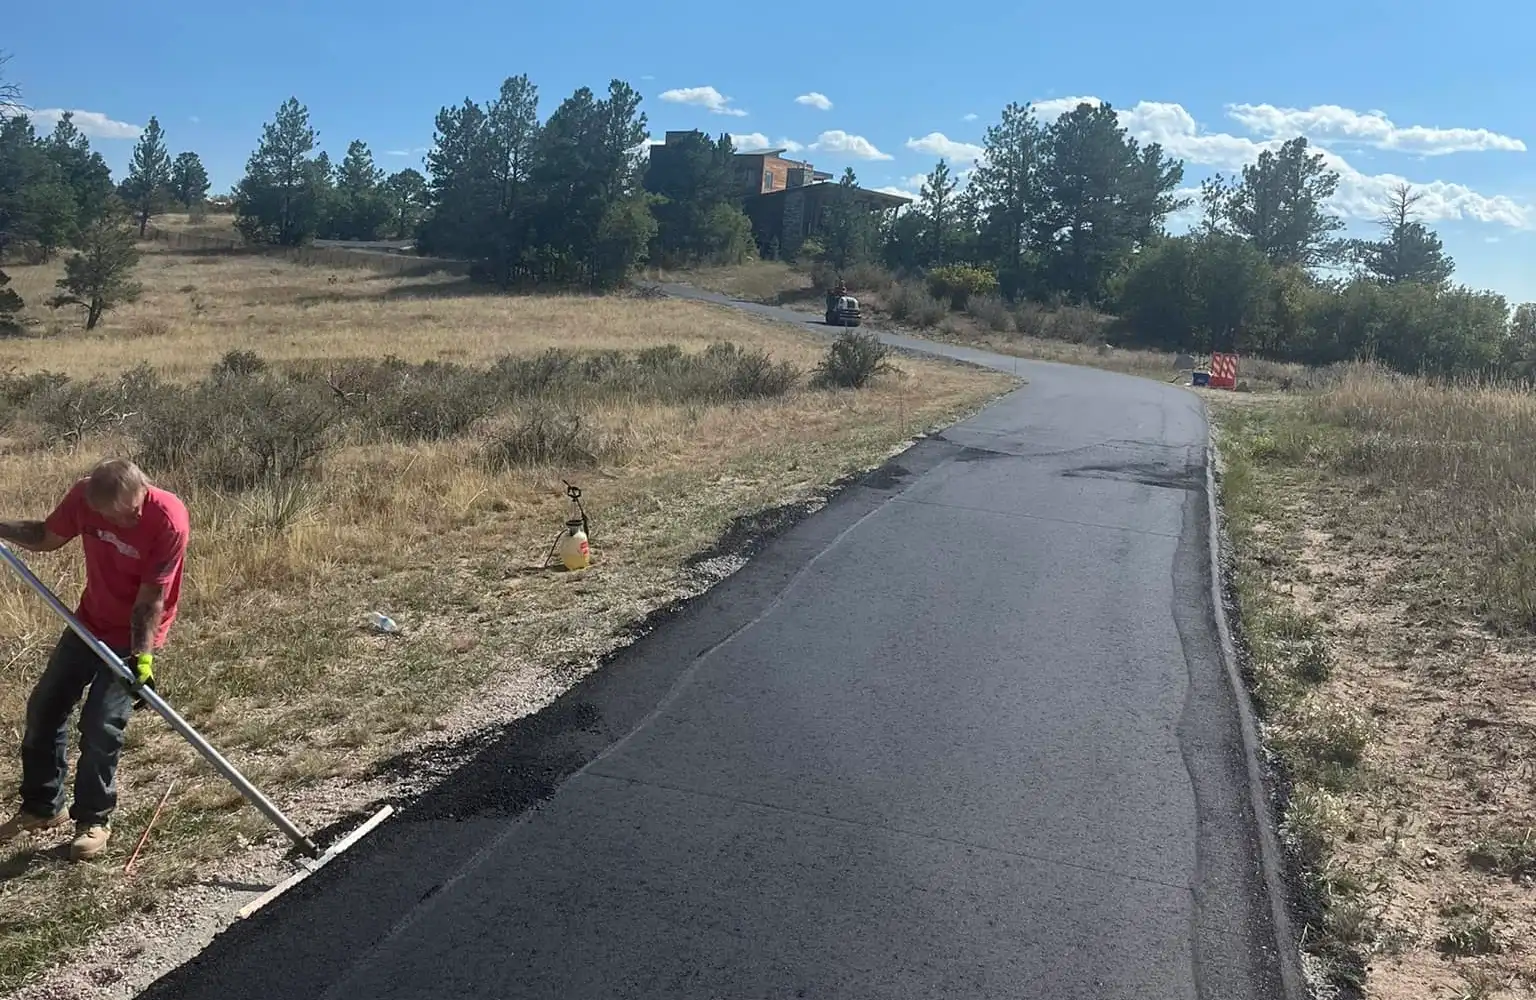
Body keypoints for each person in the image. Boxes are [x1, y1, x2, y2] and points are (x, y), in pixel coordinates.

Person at [0, 459, 189, 861]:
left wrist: (142, 660)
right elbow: (44, 536)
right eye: (118, 515)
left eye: (134, 509)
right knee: (45, 708)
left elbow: (150, 601)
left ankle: (93, 819)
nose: (129, 518)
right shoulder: (83, 499)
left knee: (101, 722)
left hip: (135, 632)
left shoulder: (167, 520)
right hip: (89, 621)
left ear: (144, 489)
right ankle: (41, 807)